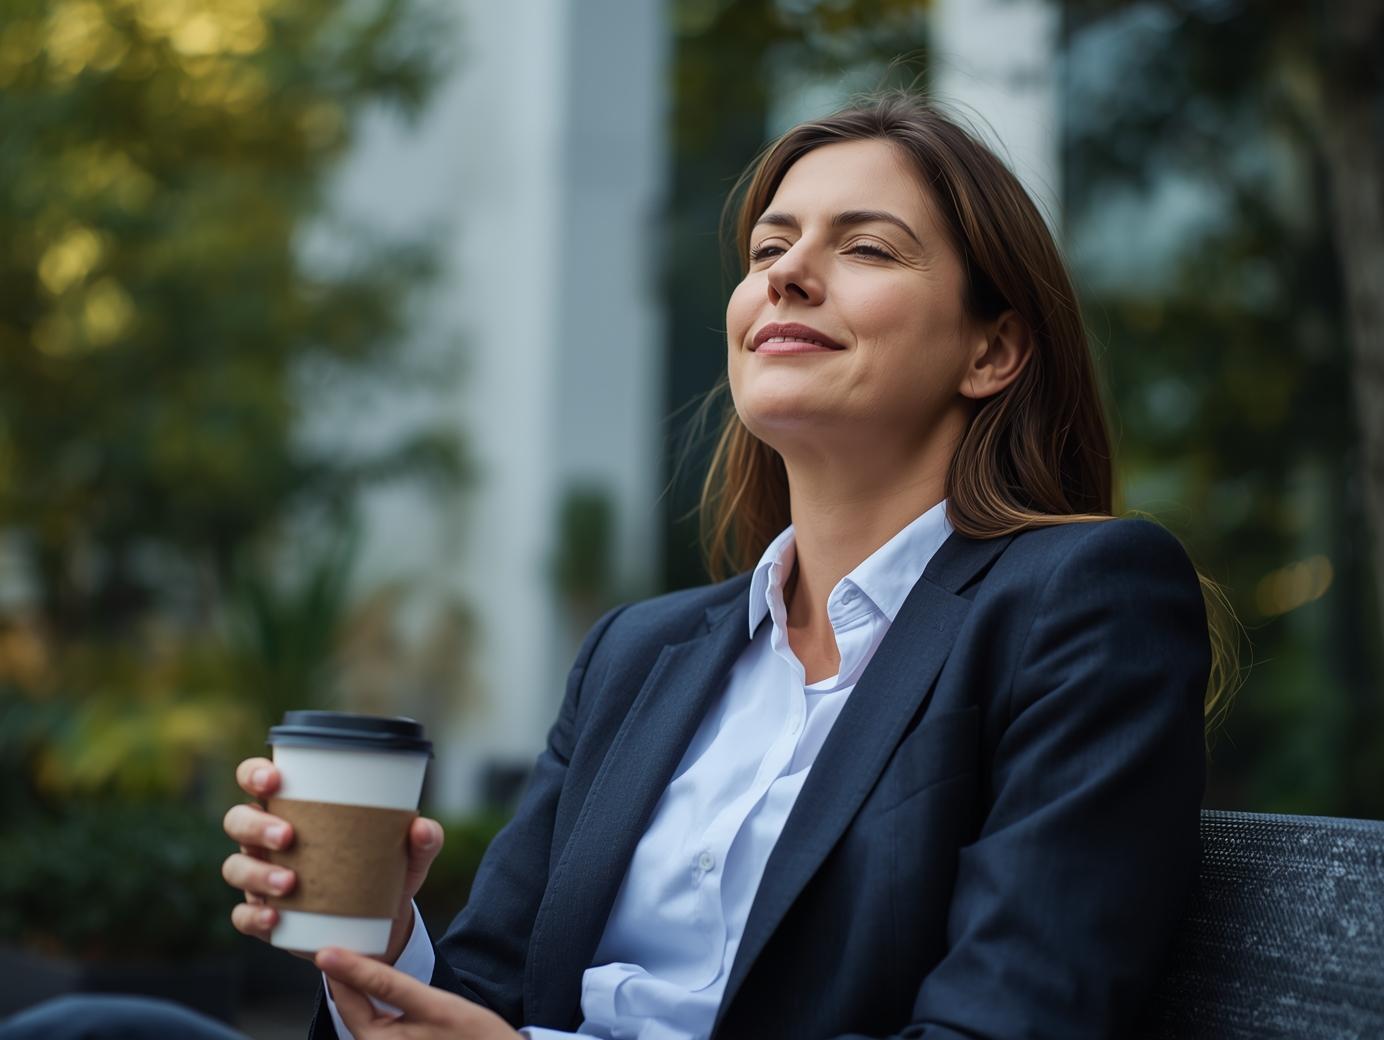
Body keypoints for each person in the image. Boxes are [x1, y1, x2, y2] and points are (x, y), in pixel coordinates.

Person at [1, 92, 1232, 1040]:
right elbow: (484, 995)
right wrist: (383, 945)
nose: (784, 274)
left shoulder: (1080, 600)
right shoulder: (645, 652)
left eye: (867, 248)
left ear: (994, 348)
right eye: (768, 246)